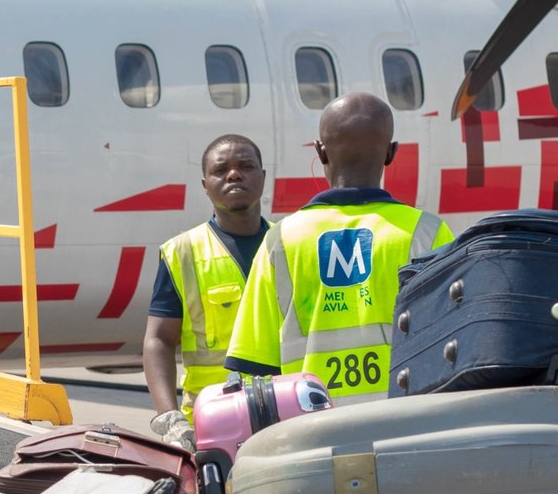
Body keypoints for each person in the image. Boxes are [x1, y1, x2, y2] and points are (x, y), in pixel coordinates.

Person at [225, 93, 453, 403]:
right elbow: (451, 347)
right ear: (391, 153)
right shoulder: (427, 232)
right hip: (402, 424)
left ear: (320, 152)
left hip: (311, 427)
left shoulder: (281, 240)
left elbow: (252, 365)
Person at [143, 135, 269, 445]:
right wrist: (168, 417)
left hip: (283, 412)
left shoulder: (290, 243)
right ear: (204, 184)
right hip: (211, 421)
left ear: (263, 177)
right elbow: (159, 339)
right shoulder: (182, 253)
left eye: (246, 166)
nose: (234, 174)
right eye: (221, 169)